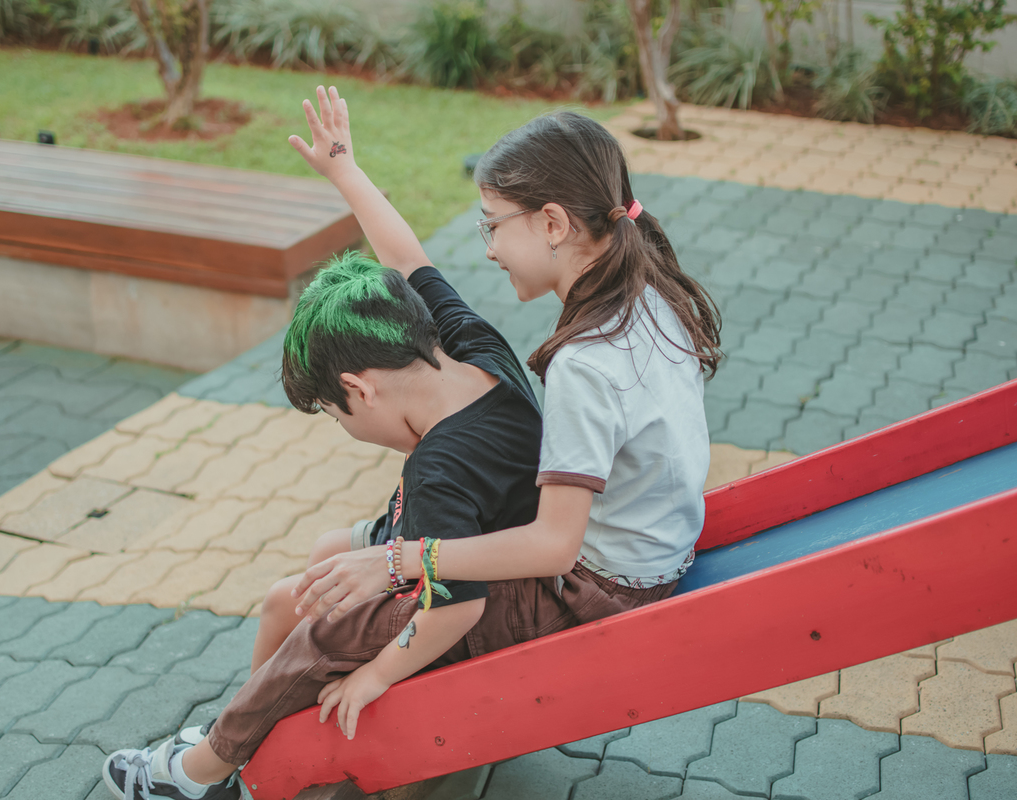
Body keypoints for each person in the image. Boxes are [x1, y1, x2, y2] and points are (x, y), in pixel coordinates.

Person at [101, 88, 546, 800]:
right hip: (462, 535)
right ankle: (261, 728)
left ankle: (232, 757)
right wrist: (344, 168)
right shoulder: (471, 349)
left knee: (289, 603)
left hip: (463, 573)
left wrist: (376, 675)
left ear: (361, 389)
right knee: (321, 560)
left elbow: (456, 606)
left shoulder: (439, 468)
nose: (348, 430)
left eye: (338, 414)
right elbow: (406, 257)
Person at [291, 90, 722, 644]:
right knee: (334, 560)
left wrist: (402, 561)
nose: (489, 248)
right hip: (656, 553)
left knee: (330, 626)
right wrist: (343, 170)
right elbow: (411, 265)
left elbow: (552, 547)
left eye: (492, 225)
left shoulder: (585, 362)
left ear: (552, 224)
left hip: (591, 587)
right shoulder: (646, 289)